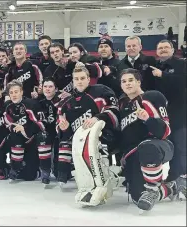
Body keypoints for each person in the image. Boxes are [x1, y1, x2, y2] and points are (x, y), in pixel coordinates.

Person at [118, 68, 185, 211]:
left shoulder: (151, 96)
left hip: (159, 146)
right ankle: (173, 186)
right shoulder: (123, 104)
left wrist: (148, 119)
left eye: (131, 80)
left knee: (147, 147)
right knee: (138, 197)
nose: (127, 84)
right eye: (124, 81)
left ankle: (152, 189)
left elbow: (165, 131)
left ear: (138, 82)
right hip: (135, 153)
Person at [56, 62, 119, 187]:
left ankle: (104, 175)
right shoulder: (65, 102)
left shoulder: (101, 91)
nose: (79, 81)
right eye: (76, 79)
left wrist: (98, 117)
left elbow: (114, 111)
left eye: (83, 78)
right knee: (64, 141)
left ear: (89, 79)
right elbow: (60, 125)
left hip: (103, 135)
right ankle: (63, 174)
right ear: (73, 81)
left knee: (100, 141)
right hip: (78, 138)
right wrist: (63, 127)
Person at [151, 40, 186, 183]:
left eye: (166, 47)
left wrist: (163, 75)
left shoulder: (182, 64)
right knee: (164, 145)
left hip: (179, 112)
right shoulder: (154, 66)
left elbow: (184, 81)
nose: (163, 50)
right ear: (156, 51)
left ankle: (180, 177)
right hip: (159, 113)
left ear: (173, 50)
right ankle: (161, 176)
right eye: (160, 48)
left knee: (180, 146)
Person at [3, 80, 45, 182]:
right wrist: (16, 128)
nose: (14, 95)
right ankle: (15, 166)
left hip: (32, 140)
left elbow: (41, 125)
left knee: (29, 177)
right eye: (11, 93)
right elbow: (7, 124)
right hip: (18, 142)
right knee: (13, 135)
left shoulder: (31, 104)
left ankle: (39, 169)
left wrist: (24, 129)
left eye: (16, 92)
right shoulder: (8, 106)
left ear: (22, 92)